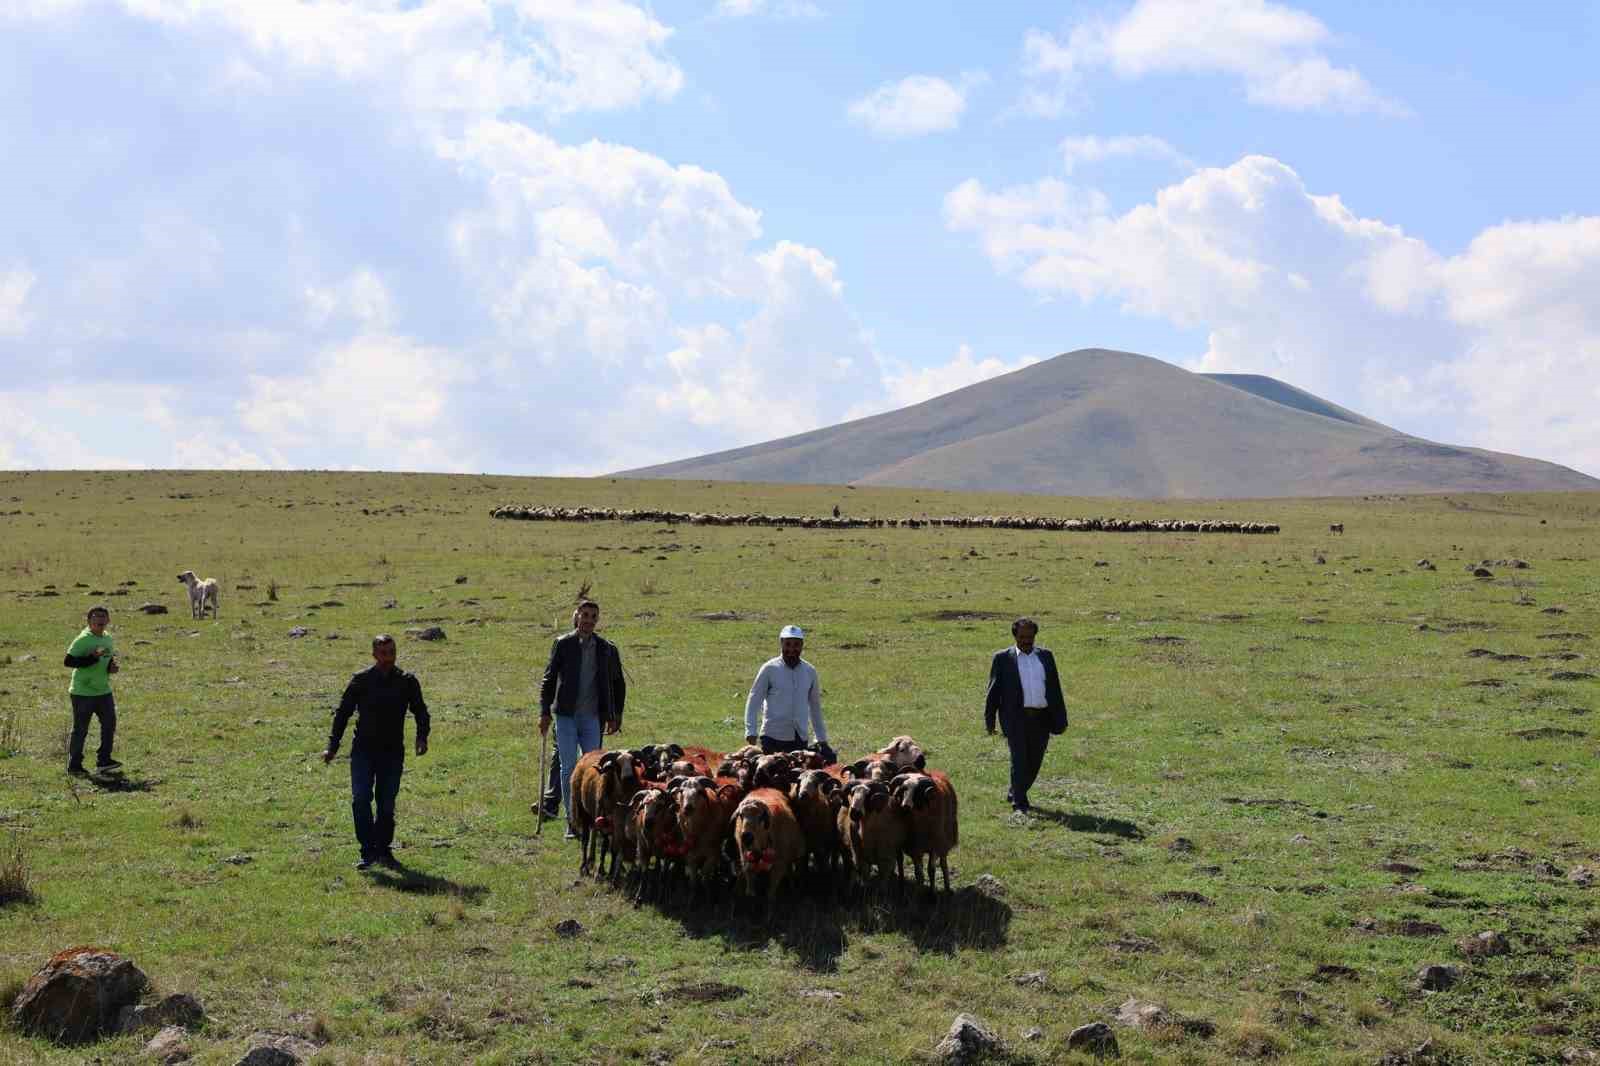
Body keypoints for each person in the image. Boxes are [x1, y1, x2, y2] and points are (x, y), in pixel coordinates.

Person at [322, 634, 430, 870]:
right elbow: (343, 714)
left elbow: (421, 711)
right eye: (383, 653)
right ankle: (367, 851)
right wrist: (332, 745)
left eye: (392, 652)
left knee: (386, 804)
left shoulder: (407, 681)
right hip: (363, 751)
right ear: (374, 654)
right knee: (361, 799)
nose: (388, 658)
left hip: (392, 753)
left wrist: (422, 737)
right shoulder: (361, 681)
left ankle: (383, 850)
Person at [539, 600, 625, 839]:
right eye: (585, 615)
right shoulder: (562, 644)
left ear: (597, 620)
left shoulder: (606, 648)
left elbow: (618, 683)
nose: (588, 620)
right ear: (577, 616)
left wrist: (616, 714)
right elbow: (549, 678)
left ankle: (593, 820)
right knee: (568, 769)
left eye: (593, 616)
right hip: (565, 716)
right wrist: (544, 712)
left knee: (595, 770)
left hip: (593, 718)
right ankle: (572, 822)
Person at [984, 617, 1067, 814]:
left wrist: (1061, 718)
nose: (1026, 641)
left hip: (1042, 718)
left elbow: (1055, 688)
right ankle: (1020, 804)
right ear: (1015, 636)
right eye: (1022, 637)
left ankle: (1015, 790)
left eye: (1030, 637)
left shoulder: (1046, 656)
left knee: (1034, 761)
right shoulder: (1003, 658)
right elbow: (993, 691)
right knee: (1019, 759)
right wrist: (990, 721)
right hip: (1015, 718)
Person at [744, 624, 833, 761]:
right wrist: (751, 730)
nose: (792, 649)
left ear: (802, 645)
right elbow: (754, 699)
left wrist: (821, 739)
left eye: (796, 645)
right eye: (788, 644)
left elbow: (815, 707)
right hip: (772, 737)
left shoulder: (809, 671)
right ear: (781, 644)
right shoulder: (769, 669)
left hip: (799, 738)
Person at [62, 605, 120, 775]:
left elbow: (108, 659)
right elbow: (68, 661)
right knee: (81, 729)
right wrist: (90, 660)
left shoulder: (108, 638)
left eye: (103, 617)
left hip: (103, 690)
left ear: (108, 620)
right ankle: (74, 767)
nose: (100, 621)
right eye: (96, 618)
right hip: (82, 693)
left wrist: (111, 667)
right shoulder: (83, 640)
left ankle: (104, 761)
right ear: (89, 621)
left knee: (109, 724)